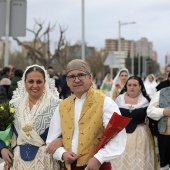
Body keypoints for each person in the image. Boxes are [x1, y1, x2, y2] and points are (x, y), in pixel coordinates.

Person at [46, 59, 127, 170]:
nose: (77, 80)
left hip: (97, 166)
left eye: (81, 75)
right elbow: (51, 140)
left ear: (90, 78)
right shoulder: (62, 106)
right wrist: (62, 154)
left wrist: (99, 158)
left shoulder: (105, 103)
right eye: (72, 77)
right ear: (67, 81)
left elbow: (118, 138)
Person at [0, 65, 61, 169]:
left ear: (45, 83)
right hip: (18, 162)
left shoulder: (57, 105)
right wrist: (2, 148)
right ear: (25, 83)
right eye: (31, 81)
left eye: (39, 82)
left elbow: (70, 130)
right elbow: (3, 131)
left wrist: (61, 139)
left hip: (46, 161)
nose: (35, 85)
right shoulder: (14, 104)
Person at [111, 76, 158, 170]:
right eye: (129, 85)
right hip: (121, 136)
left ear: (140, 87)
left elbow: (151, 118)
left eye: (135, 85)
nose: (132, 87)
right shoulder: (119, 100)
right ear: (126, 86)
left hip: (140, 136)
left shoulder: (145, 101)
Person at [147, 85, 170, 170]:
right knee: (164, 165)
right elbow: (150, 111)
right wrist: (163, 111)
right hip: (165, 135)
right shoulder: (161, 93)